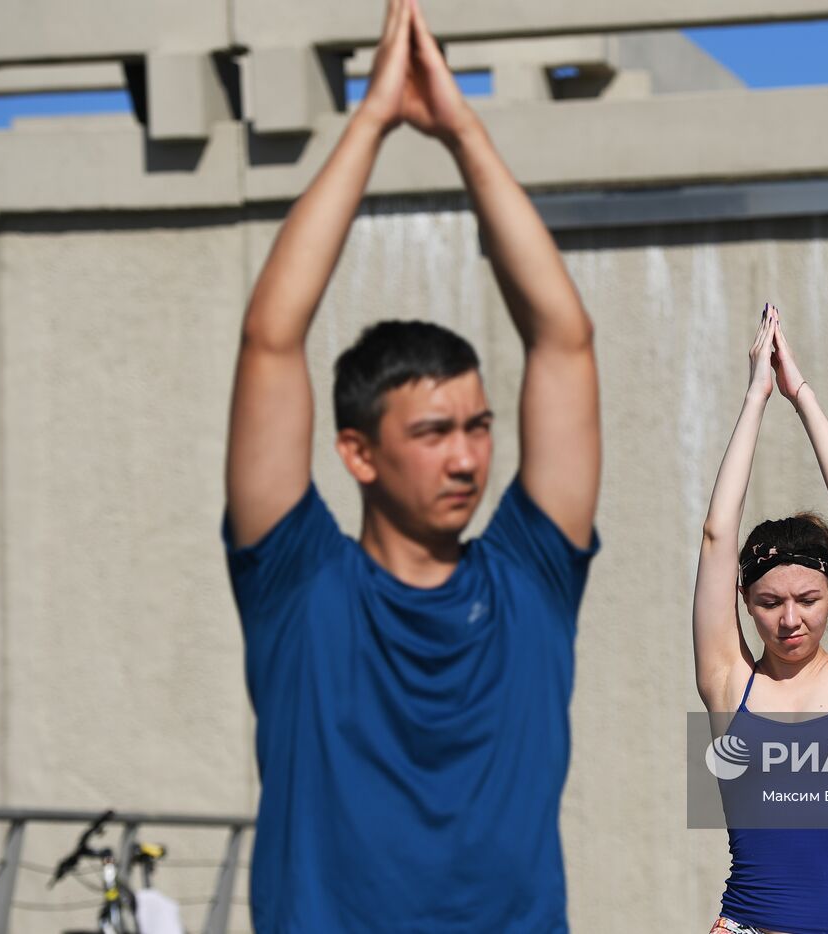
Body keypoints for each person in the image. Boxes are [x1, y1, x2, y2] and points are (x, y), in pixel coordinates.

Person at [221, 0, 600, 929]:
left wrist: (464, 132)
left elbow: (564, 343)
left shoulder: (532, 578)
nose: (469, 456)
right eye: (433, 432)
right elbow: (271, 339)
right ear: (356, 452)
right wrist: (373, 122)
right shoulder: (298, 583)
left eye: (478, 425)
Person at [694, 305, 828, 934]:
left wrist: (800, 395)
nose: (789, 620)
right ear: (745, 605)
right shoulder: (731, 684)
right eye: (768, 603)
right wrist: (754, 397)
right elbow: (716, 536)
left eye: (807, 600)